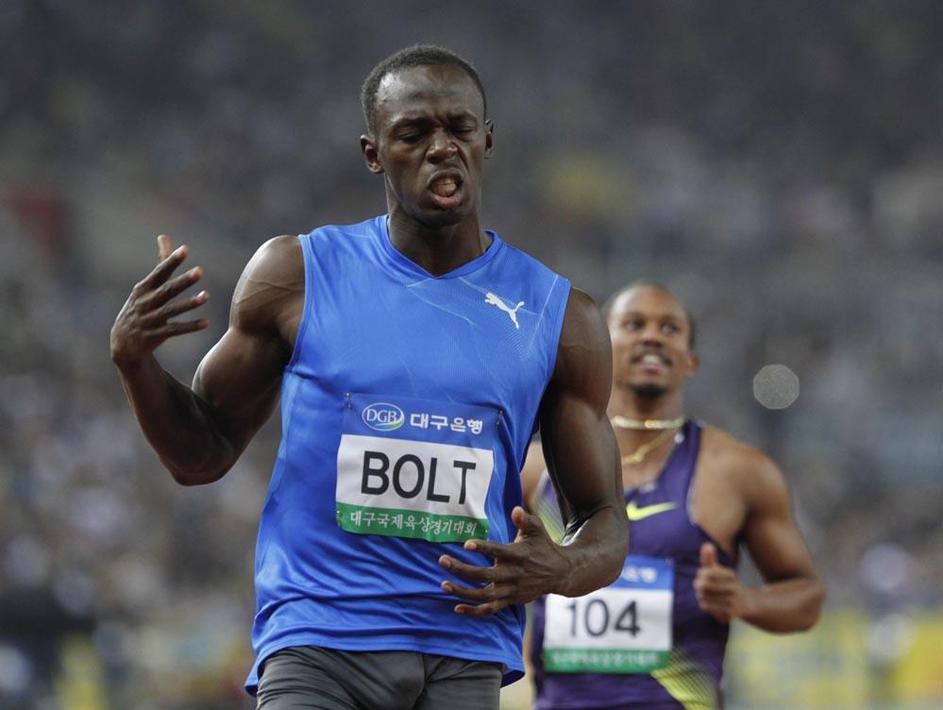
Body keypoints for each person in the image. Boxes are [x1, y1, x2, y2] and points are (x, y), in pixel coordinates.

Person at [109, 45, 628, 709]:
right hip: (319, 640)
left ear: (487, 141)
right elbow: (201, 455)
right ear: (373, 152)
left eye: (460, 128)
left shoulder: (561, 317)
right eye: (413, 133)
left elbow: (604, 519)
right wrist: (136, 363)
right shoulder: (296, 275)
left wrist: (562, 566)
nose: (441, 148)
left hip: (464, 649)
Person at [522, 282, 825, 709]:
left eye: (669, 328)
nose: (652, 336)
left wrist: (746, 601)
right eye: (634, 324)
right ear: (599, 349)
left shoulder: (737, 472)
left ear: (691, 361)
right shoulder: (535, 469)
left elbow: (806, 598)